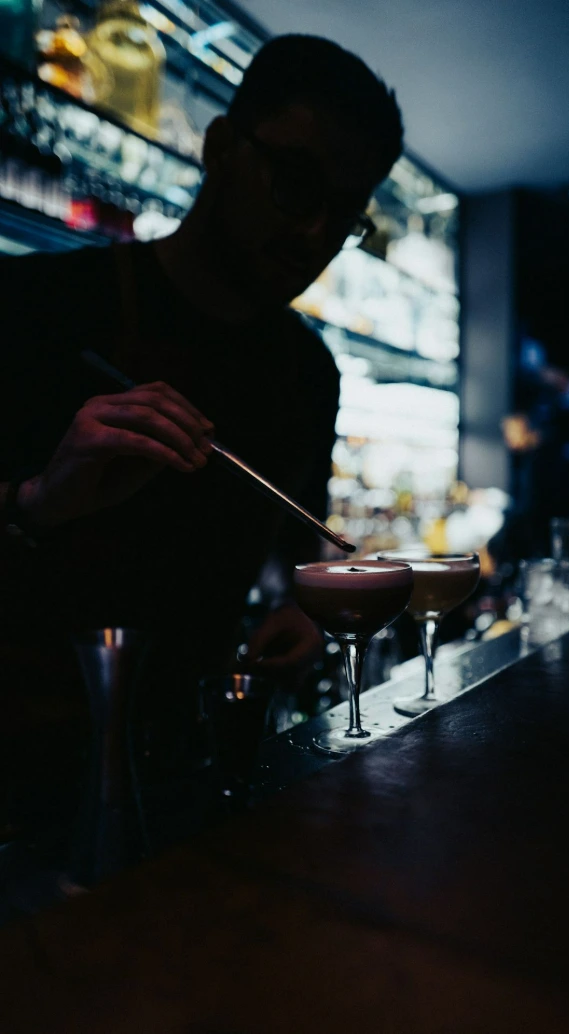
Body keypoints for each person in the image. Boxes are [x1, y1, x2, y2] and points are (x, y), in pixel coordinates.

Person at [0, 35, 404, 828]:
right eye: (296, 184)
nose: (317, 232)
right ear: (221, 147)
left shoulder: (307, 370)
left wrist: (307, 615)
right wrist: (39, 498)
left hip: (193, 778)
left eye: (347, 213)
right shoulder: (39, 305)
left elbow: (298, 557)